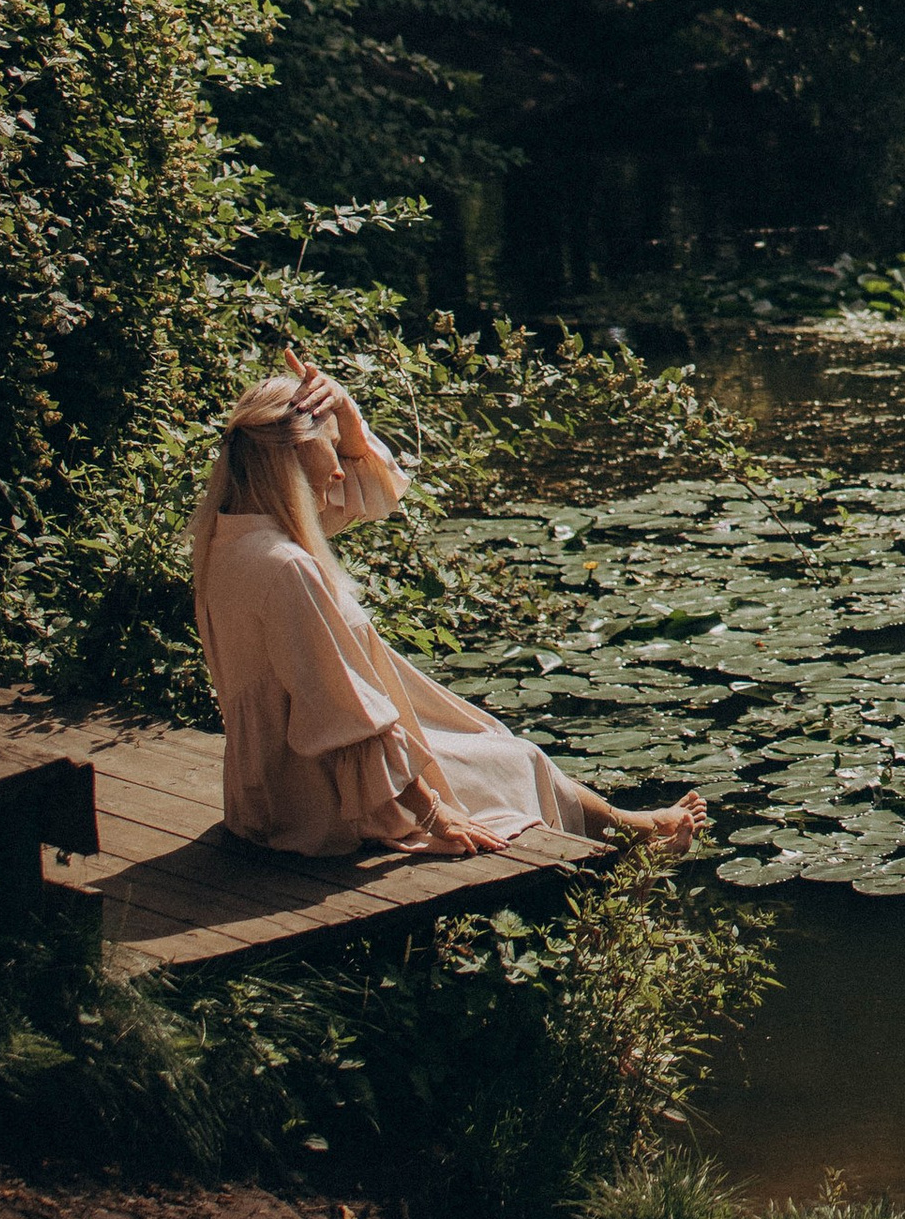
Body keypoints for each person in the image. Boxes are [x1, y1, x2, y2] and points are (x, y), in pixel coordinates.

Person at [190, 360, 705, 863]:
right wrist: (435, 814)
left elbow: (366, 494)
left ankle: (630, 828)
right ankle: (636, 835)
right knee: (515, 759)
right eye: (329, 448)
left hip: (268, 785)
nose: (339, 469)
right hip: (314, 801)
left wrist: (345, 414)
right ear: (293, 457)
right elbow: (345, 717)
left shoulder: (232, 536)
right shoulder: (285, 566)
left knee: (488, 742)